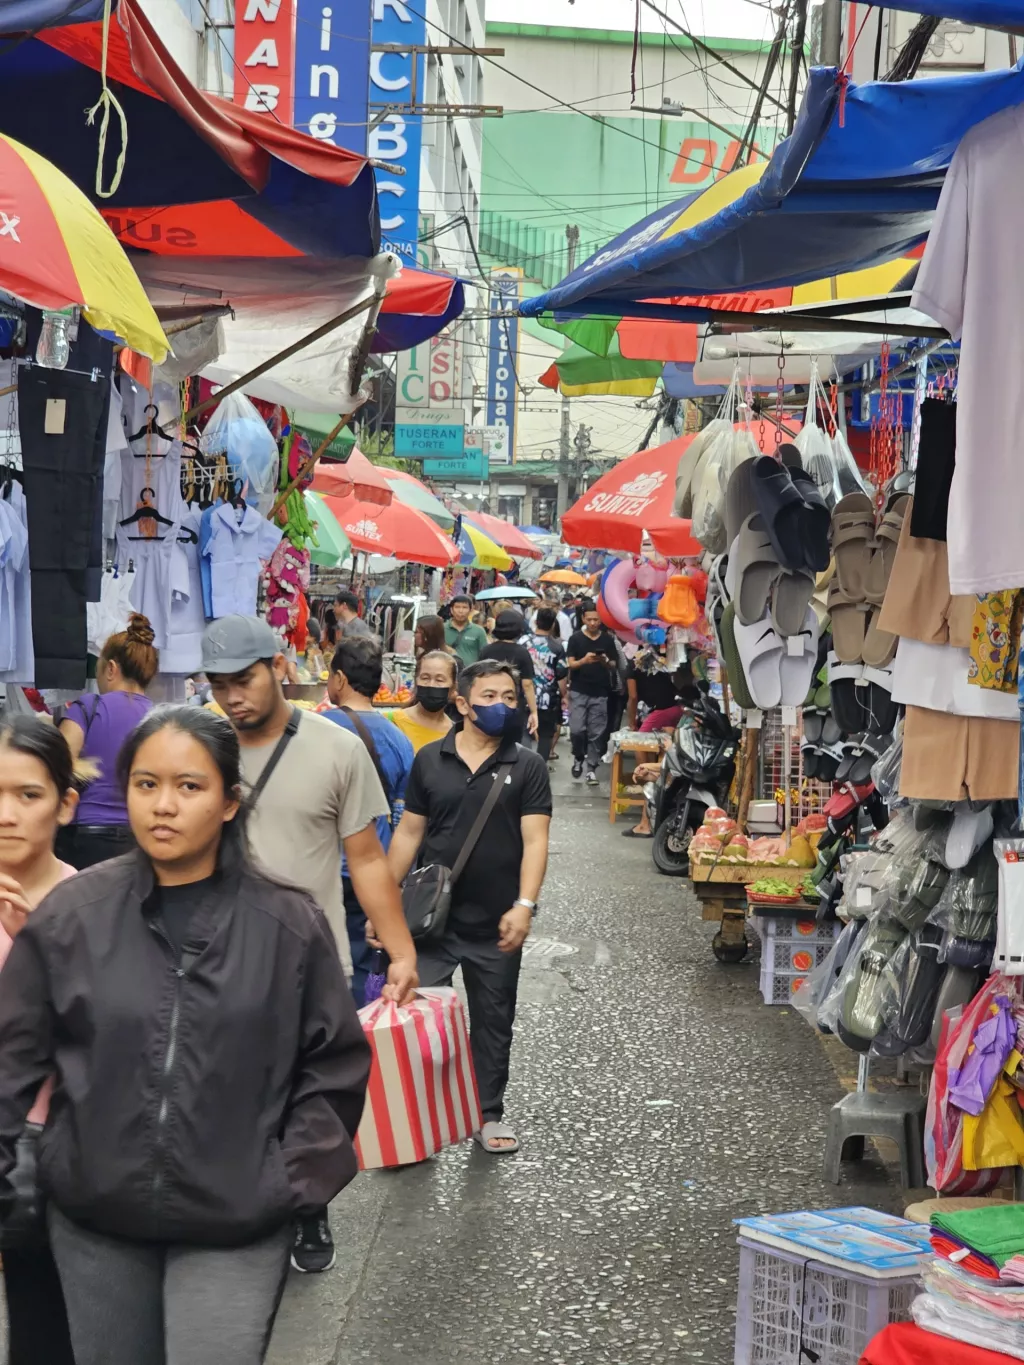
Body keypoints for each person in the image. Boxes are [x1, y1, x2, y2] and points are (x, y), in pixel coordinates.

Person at [0, 707, 372, 1365]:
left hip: (234, 1223)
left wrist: (287, 1180)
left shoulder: (287, 924)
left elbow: (333, 1066)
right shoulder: (75, 915)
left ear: (229, 802)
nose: (164, 805)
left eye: (189, 786)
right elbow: (12, 1055)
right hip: (96, 1220)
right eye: (146, 784)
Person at [200, 615, 417, 1274]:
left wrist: (401, 951)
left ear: (278, 667)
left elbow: (368, 859)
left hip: (309, 960)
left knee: (307, 1097)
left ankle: (308, 1205)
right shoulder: (196, 746)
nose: (232, 697)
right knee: (225, 1089)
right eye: (218, 684)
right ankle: (234, 1203)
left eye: (244, 680)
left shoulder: (337, 748)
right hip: (213, 956)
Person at [388, 661, 552, 1155]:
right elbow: (409, 833)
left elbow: (536, 840)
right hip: (431, 920)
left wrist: (524, 905)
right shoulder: (429, 760)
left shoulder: (527, 766)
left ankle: (487, 1114)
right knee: (418, 1024)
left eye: (509, 697)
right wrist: (386, 905)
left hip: (497, 923)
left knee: (493, 1022)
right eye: (489, 696)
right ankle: (421, 1121)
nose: (501, 705)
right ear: (462, 703)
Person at [0, 719, 79, 1365]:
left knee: (45, 1330)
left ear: (64, 803)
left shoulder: (93, 905)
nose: (7, 814)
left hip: (55, 1162)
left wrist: (37, 947)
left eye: (28, 794)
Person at [323, 637, 415, 1006]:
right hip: (374, 870)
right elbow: (401, 814)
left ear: (340, 679)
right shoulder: (399, 739)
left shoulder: (316, 730)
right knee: (363, 964)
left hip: (324, 867)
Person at [57, 612, 157, 868]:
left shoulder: (89, 707)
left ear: (111, 668)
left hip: (86, 837)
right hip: (141, 836)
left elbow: (57, 767)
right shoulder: (161, 718)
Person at [566, 602, 619, 785]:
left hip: (600, 691)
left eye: (596, 619)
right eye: (589, 619)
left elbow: (614, 664)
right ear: (583, 619)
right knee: (577, 729)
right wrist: (584, 661)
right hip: (578, 690)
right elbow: (571, 664)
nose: (593, 623)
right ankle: (578, 755)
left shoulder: (607, 640)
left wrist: (605, 661)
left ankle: (591, 768)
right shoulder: (575, 639)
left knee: (596, 732)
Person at [479, 610, 539, 742]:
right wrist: (534, 712)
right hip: (513, 703)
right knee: (512, 743)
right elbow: (527, 685)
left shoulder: (486, 650)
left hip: (489, 701)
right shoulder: (522, 652)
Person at [383, 650, 458, 753]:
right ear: (416, 681)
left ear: (453, 687)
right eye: (425, 678)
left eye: (439, 680)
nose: (431, 685)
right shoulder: (391, 722)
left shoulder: (455, 734)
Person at [520, 607, 568, 762]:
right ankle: (540, 767)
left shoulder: (523, 642)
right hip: (548, 698)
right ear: (553, 624)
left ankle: (522, 765)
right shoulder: (557, 647)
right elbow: (561, 675)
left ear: (535, 622)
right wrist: (564, 696)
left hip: (523, 696)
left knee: (523, 732)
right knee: (546, 735)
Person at [444, 594, 488, 667]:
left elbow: (484, 655)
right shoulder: (442, 628)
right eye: (457, 607)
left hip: (471, 672)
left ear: (470, 610)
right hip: (447, 670)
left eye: (464, 607)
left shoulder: (479, 631)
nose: (460, 611)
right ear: (451, 610)